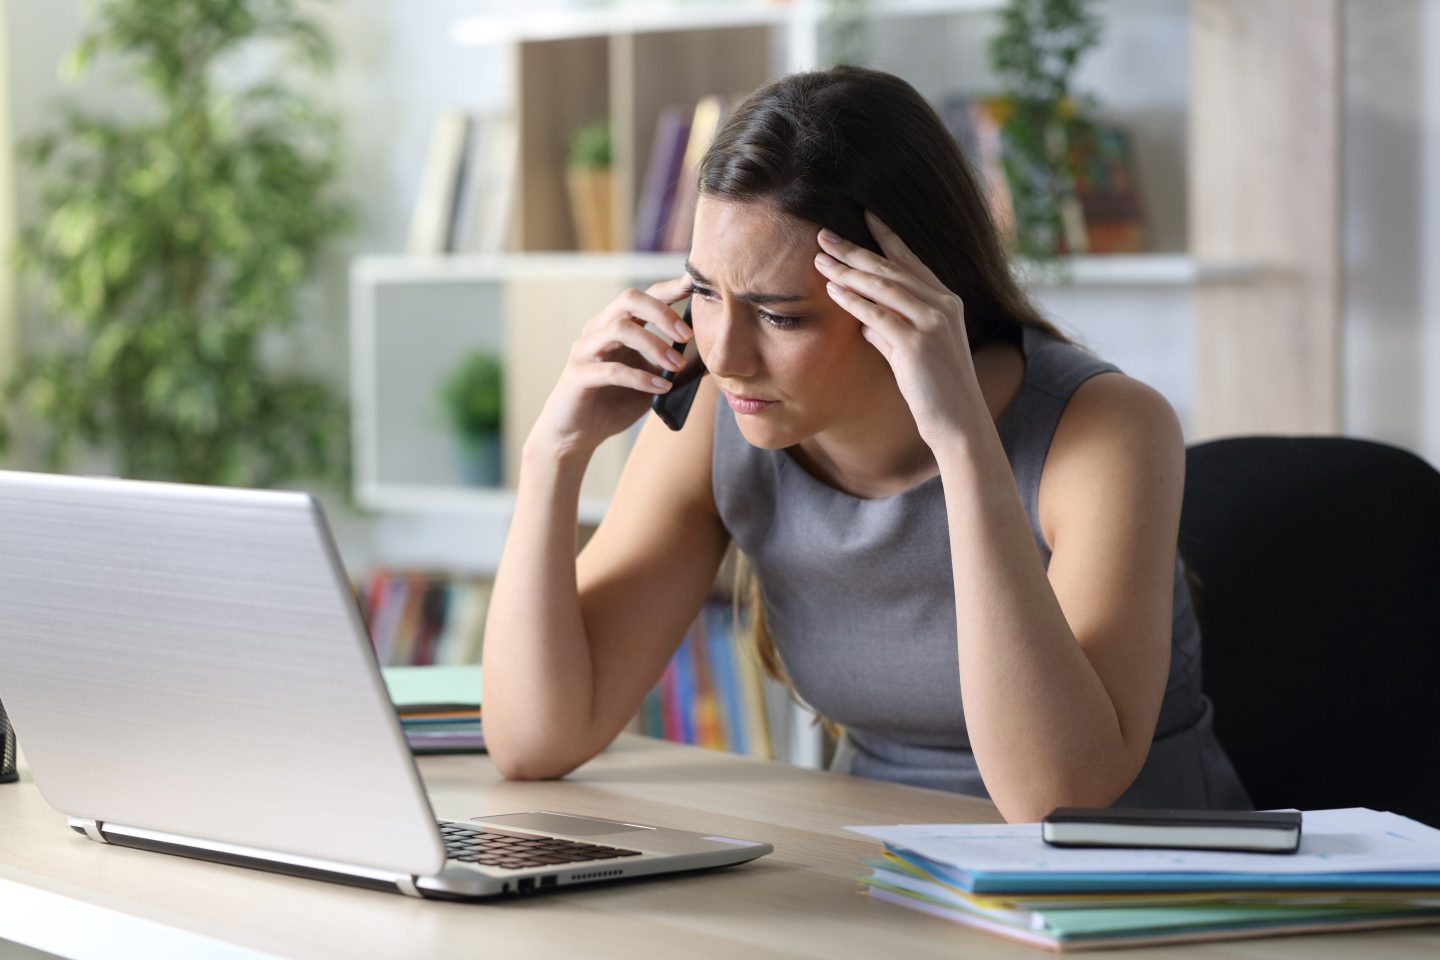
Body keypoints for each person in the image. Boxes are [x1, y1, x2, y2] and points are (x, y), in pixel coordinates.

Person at [481, 65, 1250, 822]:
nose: (726, 353)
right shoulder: (721, 414)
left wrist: (962, 442)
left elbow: (1057, 797)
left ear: (907, 296)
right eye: (706, 293)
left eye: (781, 316)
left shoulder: (1107, 430)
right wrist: (553, 454)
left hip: (1133, 899)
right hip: (886, 876)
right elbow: (533, 740)